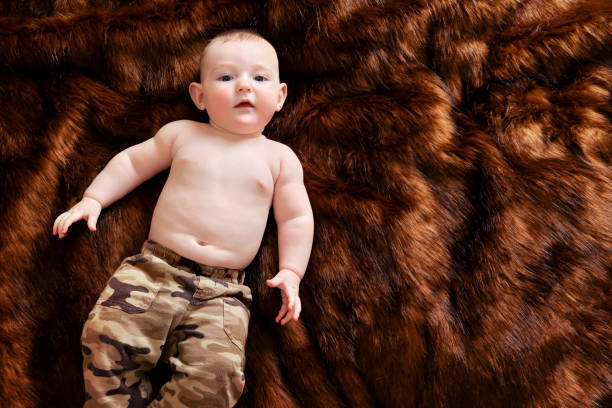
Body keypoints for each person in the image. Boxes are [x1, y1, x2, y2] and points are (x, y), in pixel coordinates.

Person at [52, 29, 314, 408]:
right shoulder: (182, 135)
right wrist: (93, 199)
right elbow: (132, 162)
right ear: (199, 96)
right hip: (153, 270)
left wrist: (292, 272)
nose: (244, 87)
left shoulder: (279, 159)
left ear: (280, 97)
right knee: (105, 339)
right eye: (226, 77)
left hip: (223, 294)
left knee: (218, 378)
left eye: (260, 78)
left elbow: (296, 218)